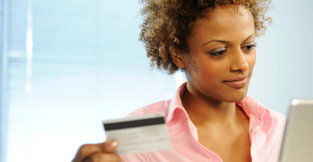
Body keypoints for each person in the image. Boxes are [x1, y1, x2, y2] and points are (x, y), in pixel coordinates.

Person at [72, 0, 286, 161]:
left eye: (248, 47)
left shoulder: (279, 128)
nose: (242, 65)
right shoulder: (140, 133)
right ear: (178, 55)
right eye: (219, 52)